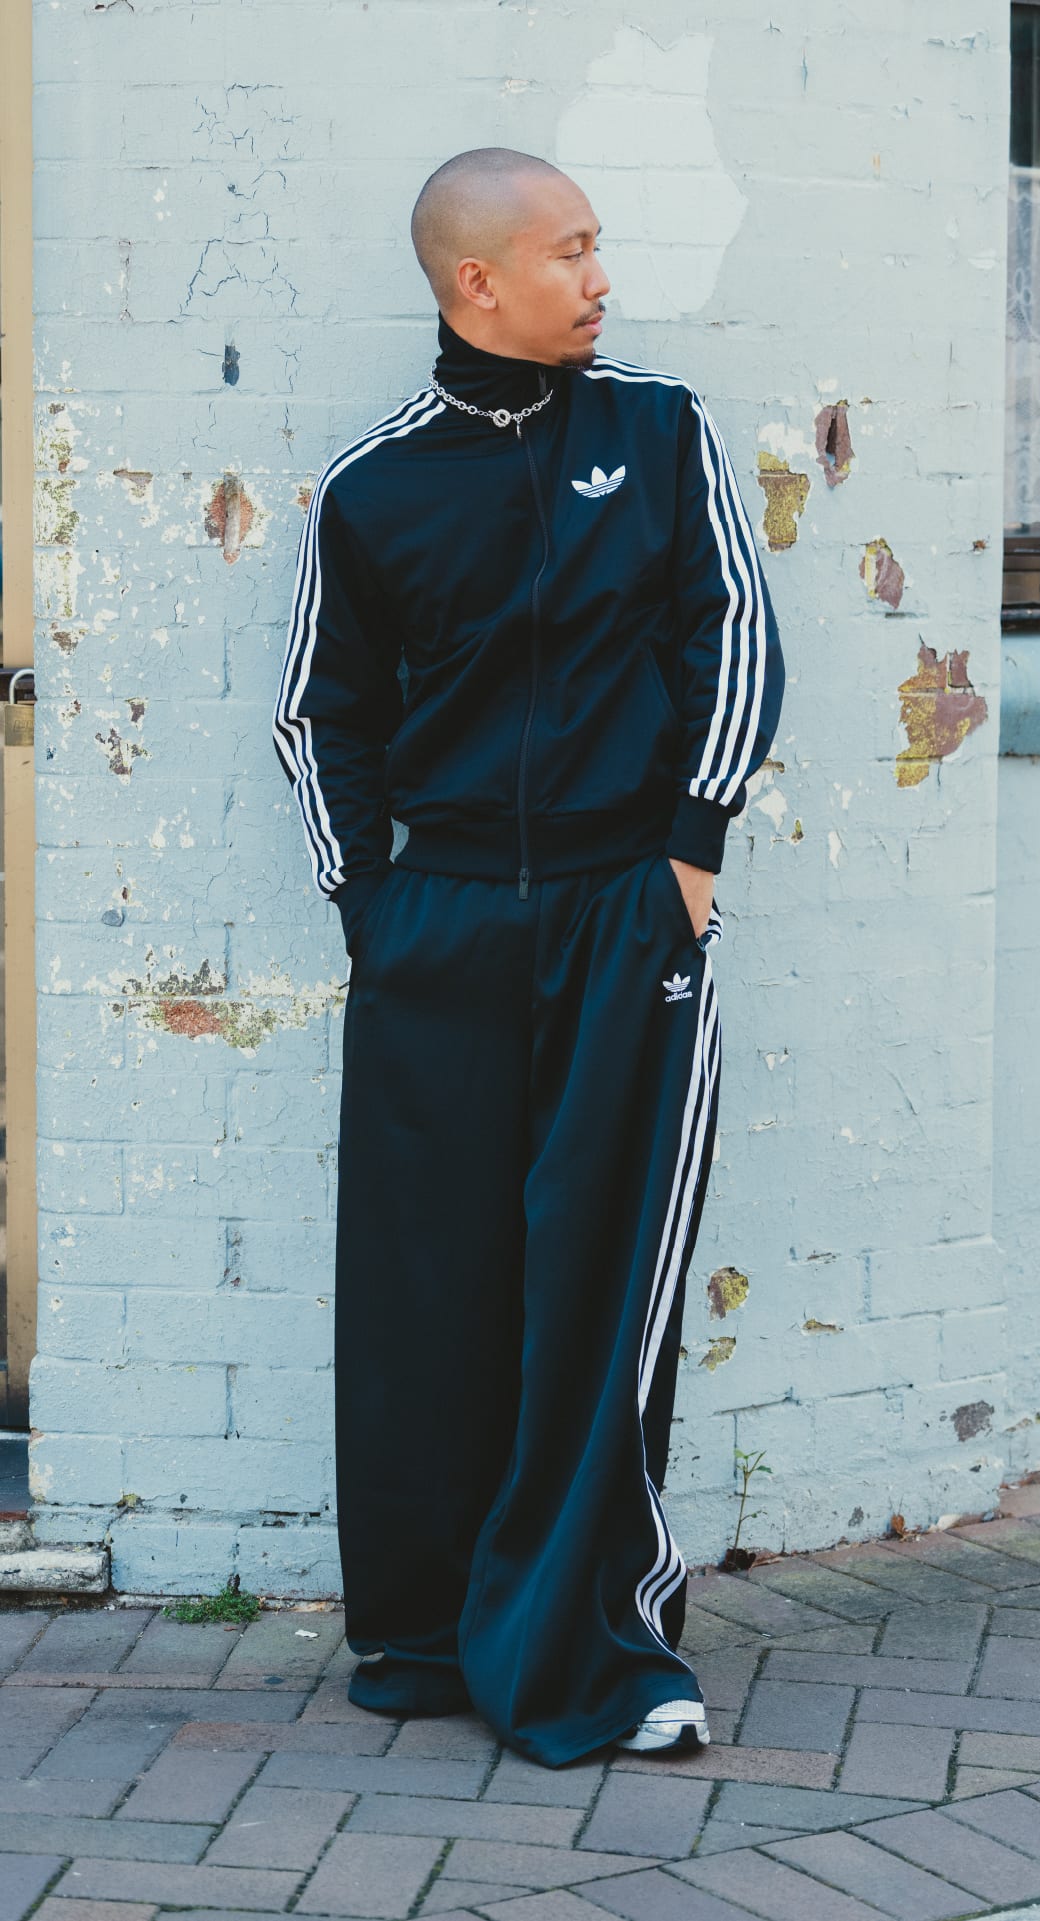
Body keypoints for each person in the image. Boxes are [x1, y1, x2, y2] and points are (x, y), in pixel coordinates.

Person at [272, 146, 785, 1770]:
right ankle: (425, 1629)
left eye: (598, 245)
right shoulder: (376, 486)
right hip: (436, 935)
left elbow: (735, 637)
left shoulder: (654, 429)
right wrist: (374, 905)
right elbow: (320, 713)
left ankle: (594, 1641)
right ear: (474, 279)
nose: (600, 275)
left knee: (597, 1283)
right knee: (425, 1290)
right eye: (571, 250)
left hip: (619, 918)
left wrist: (686, 854)